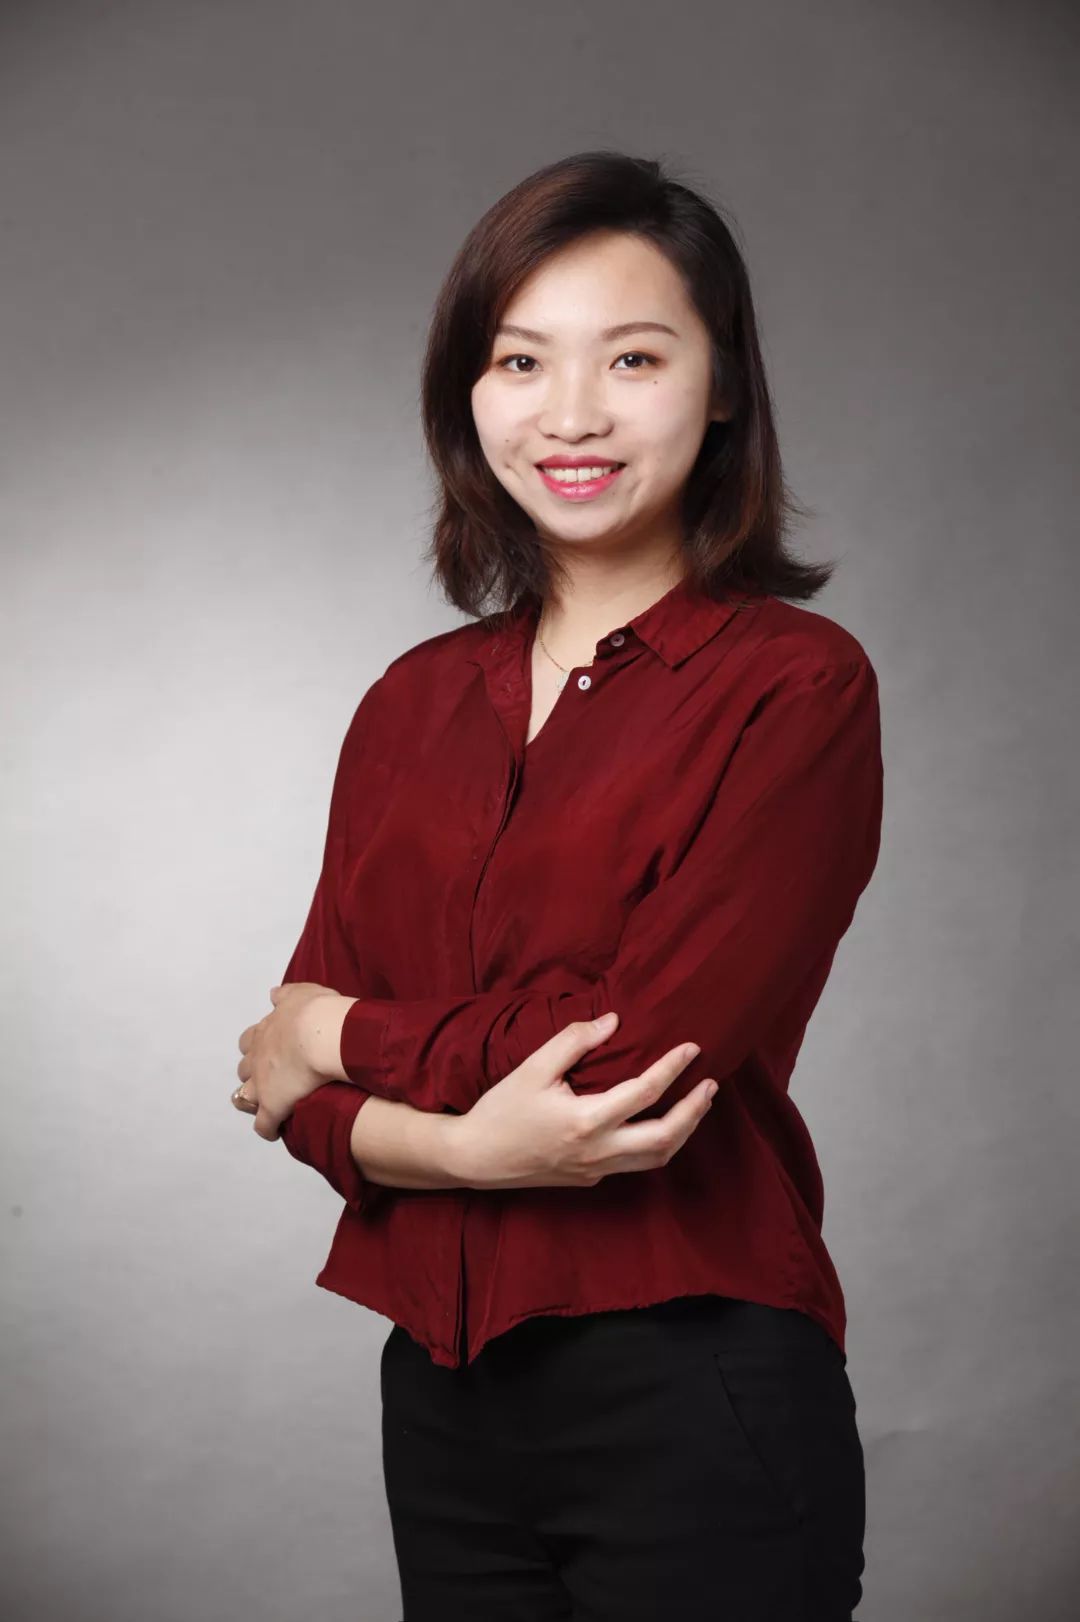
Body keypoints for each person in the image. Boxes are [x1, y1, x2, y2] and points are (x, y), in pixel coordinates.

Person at [232, 149, 883, 1621]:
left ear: (724, 386)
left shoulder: (796, 686)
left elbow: (630, 1060)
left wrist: (340, 1037)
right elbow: (294, 1100)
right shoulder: (410, 703)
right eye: (520, 360)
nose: (571, 413)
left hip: (697, 1375)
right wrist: (466, 1148)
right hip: (441, 1393)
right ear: (468, 393)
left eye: (633, 358)